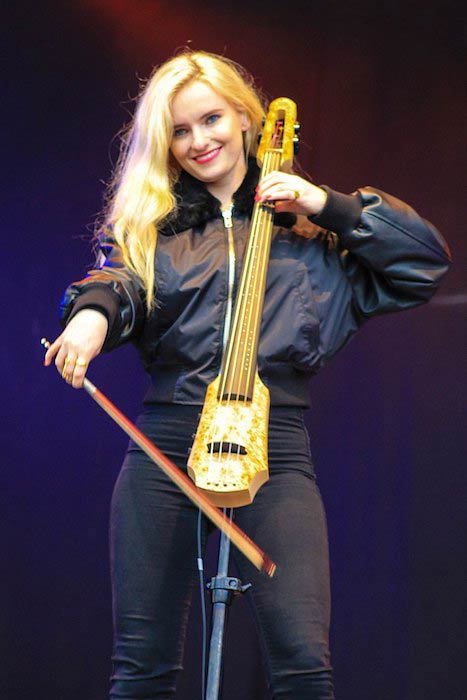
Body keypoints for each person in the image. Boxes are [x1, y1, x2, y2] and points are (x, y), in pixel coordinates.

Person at [44, 50, 451, 699]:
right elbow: (115, 281)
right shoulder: (152, 232)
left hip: (275, 445)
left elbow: (421, 263)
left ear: (243, 118)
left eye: (209, 119)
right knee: (141, 670)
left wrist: (328, 204)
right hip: (167, 445)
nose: (198, 140)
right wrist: (93, 316)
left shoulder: (315, 243)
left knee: (300, 663)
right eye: (179, 130)